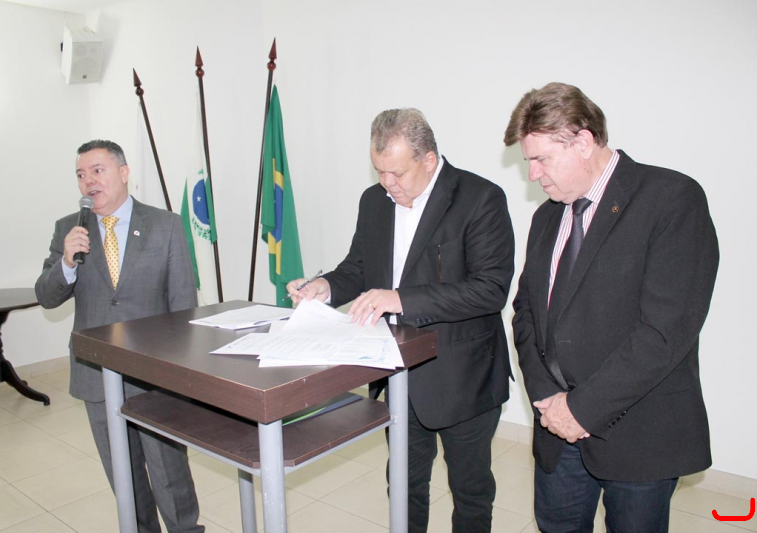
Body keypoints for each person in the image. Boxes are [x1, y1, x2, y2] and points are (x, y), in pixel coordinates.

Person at [503, 82, 719, 533]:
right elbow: (526, 313)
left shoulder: (671, 199)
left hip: (638, 430)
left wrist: (580, 409)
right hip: (556, 430)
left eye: (542, 159)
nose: (533, 174)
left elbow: (665, 331)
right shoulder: (547, 216)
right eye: (528, 162)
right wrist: (548, 400)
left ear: (583, 141)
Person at [288, 109, 515, 532]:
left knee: (470, 491)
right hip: (397, 372)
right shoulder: (374, 201)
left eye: (396, 173)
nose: (387, 183)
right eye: (379, 171)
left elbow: (490, 289)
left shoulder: (480, 198)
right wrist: (325, 287)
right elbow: (358, 268)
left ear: (428, 159)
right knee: (405, 487)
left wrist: (400, 299)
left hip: (463, 376)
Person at [35, 140, 204, 533]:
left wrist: (182, 376)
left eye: (98, 170)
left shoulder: (165, 224)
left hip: (155, 374)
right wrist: (67, 262)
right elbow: (46, 295)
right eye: (81, 175)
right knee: (123, 475)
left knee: (169, 472)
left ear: (124, 173)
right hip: (96, 373)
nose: (88, 182)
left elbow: (184, 305)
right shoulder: (68, 228)